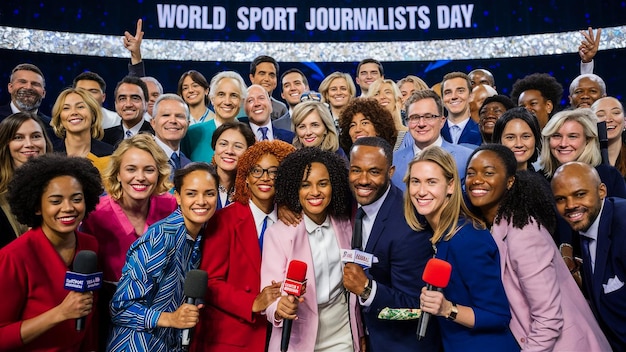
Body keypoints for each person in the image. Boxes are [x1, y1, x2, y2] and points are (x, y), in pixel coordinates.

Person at [466, 144, 611, 351]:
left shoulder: (523, 234)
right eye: (471, 173)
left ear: (510, 181)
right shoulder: (493, 227)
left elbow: (548, 319)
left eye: (488, 173)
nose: (477, 180)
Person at [406, 146, 518, 351]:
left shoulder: (467, 238)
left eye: (431, 182)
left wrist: (447, 308)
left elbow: (498, 316)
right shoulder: (436, 234)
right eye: (416, 181)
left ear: (450, 186)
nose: (421, 191)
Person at [191, 140, 294, 352]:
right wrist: (252, 302)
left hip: (280, 333)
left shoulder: (291, 221)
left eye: (273, 172)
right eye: (257, 171)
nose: (265, 178)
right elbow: (211, 281)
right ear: (245, 177)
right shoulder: (224, 219)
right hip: (232, 336)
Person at [107, 162, 219, 351]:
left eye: (209, 193)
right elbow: (120, 307)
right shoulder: (161, 237)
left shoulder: (199, 236)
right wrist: (171, 318)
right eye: (191, 193)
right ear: (178, 196)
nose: (201, 201)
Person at [261, 147, 362, 352]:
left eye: (323, 184)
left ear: (333, 186)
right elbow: (269, 294)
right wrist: (278, 310)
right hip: (297, 335)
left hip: (341, 330)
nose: (315, 192)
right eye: (305, 185)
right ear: (295, 190)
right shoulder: (278, 234)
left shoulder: (345, 223)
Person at [344, 137, 438, 352]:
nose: (363, 179)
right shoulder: (352, 201)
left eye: (374, 171)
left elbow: (416, 307)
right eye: (356, 170)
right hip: (366, 338)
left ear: (391, 172)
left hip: (402, 344)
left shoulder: (408, 227)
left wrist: (368, 290)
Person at [0, 153, 102, 351]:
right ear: (37, 206)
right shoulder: (13, 257)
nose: (68, 208)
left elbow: (90, 315)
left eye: (76, 199)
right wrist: (60, 313)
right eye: (56, 201)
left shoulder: (89, 246)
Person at [80, 134, 177, 340]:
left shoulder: (171, 206)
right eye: (131, 169)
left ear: (159, 174)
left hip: (162, 318)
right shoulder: (95, 215)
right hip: (108, 317)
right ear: (118, 174)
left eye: (148, 170)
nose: (140, 177)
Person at [551, 162, 626, 351]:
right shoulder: (585, 225)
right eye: (561, 199)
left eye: (580, 194)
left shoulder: (623, 224)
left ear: (602, 191)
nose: (570, 205)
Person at [392, 89, 473, 191]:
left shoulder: (466, 159)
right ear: (407, 123)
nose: (421, 124)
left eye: (429, 117)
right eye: (414, 117)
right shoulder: (393, 160)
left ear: (442, 121)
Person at [539, 109, 626, 197]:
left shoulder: (608, 176)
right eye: (556, 136)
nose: (563, 144)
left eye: (572, 136)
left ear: (587, 140)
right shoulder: (539, 180)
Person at [0, 112, 53, 247]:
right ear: (6, 144)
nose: (29, 144)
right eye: (18, 138)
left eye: (36, 136)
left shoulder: (63, 184)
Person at [181, 71, 248, 163]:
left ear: (241, 101)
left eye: (234, 95)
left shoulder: (248, 135)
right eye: (221, 94)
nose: (227, 102)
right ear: (212, 99)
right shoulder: (191, 134)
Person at [50, 87, 114, 175]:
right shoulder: (49, 153)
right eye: (66, 108)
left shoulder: (111, 154)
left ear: (93, 114)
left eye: (80, 107)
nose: (74, 112)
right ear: (60, 117)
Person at [210, 121, 256, 209]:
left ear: (248, 152)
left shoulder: (252, 188)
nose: (229, 151)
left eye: (238, 146)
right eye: (223, 144)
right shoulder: (201, 180)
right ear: (214, 147)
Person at [102, 76, 154, 146]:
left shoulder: (157, 136)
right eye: (122, 98)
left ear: (146, 103)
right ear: (116, 104)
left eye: (135, 98)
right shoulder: (104, 137)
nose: (128, 104)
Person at [150, 94, 192, 175]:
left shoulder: (189, 165)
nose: (173, 120)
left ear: (188, 124)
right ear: (153, 123)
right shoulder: (142, 157)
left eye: (179, 116)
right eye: (166, 115)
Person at [491, 107, 542, 171]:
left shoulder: (543, 179)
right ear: (499, 141)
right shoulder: (485, 180)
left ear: (536, 139)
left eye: (526, 136)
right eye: (510, 137)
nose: (519, 144)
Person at [440, 72, 482, 146]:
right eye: (448, 92)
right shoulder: (435, 131)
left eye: (460, 91)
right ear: (442, 99)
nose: (454, 96)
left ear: (471, 96)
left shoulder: (482, 132)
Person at [591, 96, 626, 178]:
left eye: (616, 113)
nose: (608, 119)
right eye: (600, 115)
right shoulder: (584, 162)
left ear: (625, 122)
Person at [367, 78, 407, 148]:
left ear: (397, 99)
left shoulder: (408, 133)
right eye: (376, 94)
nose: (382, 97)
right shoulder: (367, 133)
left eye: (387, 92)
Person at [248, 55, 288, 120]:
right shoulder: (240, 105)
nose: (267, 79)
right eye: (262, 74)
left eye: (271, 75)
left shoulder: (281, 108)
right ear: (252, 78)